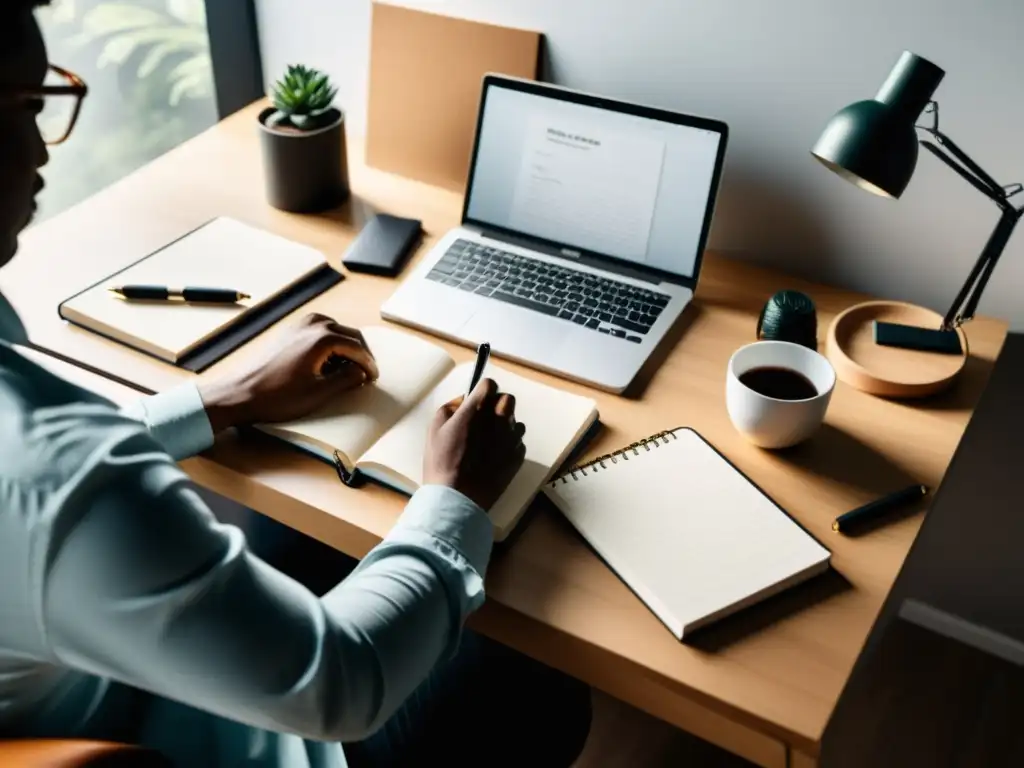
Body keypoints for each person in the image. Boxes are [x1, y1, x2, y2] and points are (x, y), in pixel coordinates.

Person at [0, 3, 592, 766]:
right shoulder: (62, 474)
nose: (41, 149)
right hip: (192, 732)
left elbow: (52, 494)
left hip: (95, 670)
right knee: (538, 679)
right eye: (24, 105)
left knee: (299, 526)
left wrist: (224, 398)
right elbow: (346, 687)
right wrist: (455, 497)